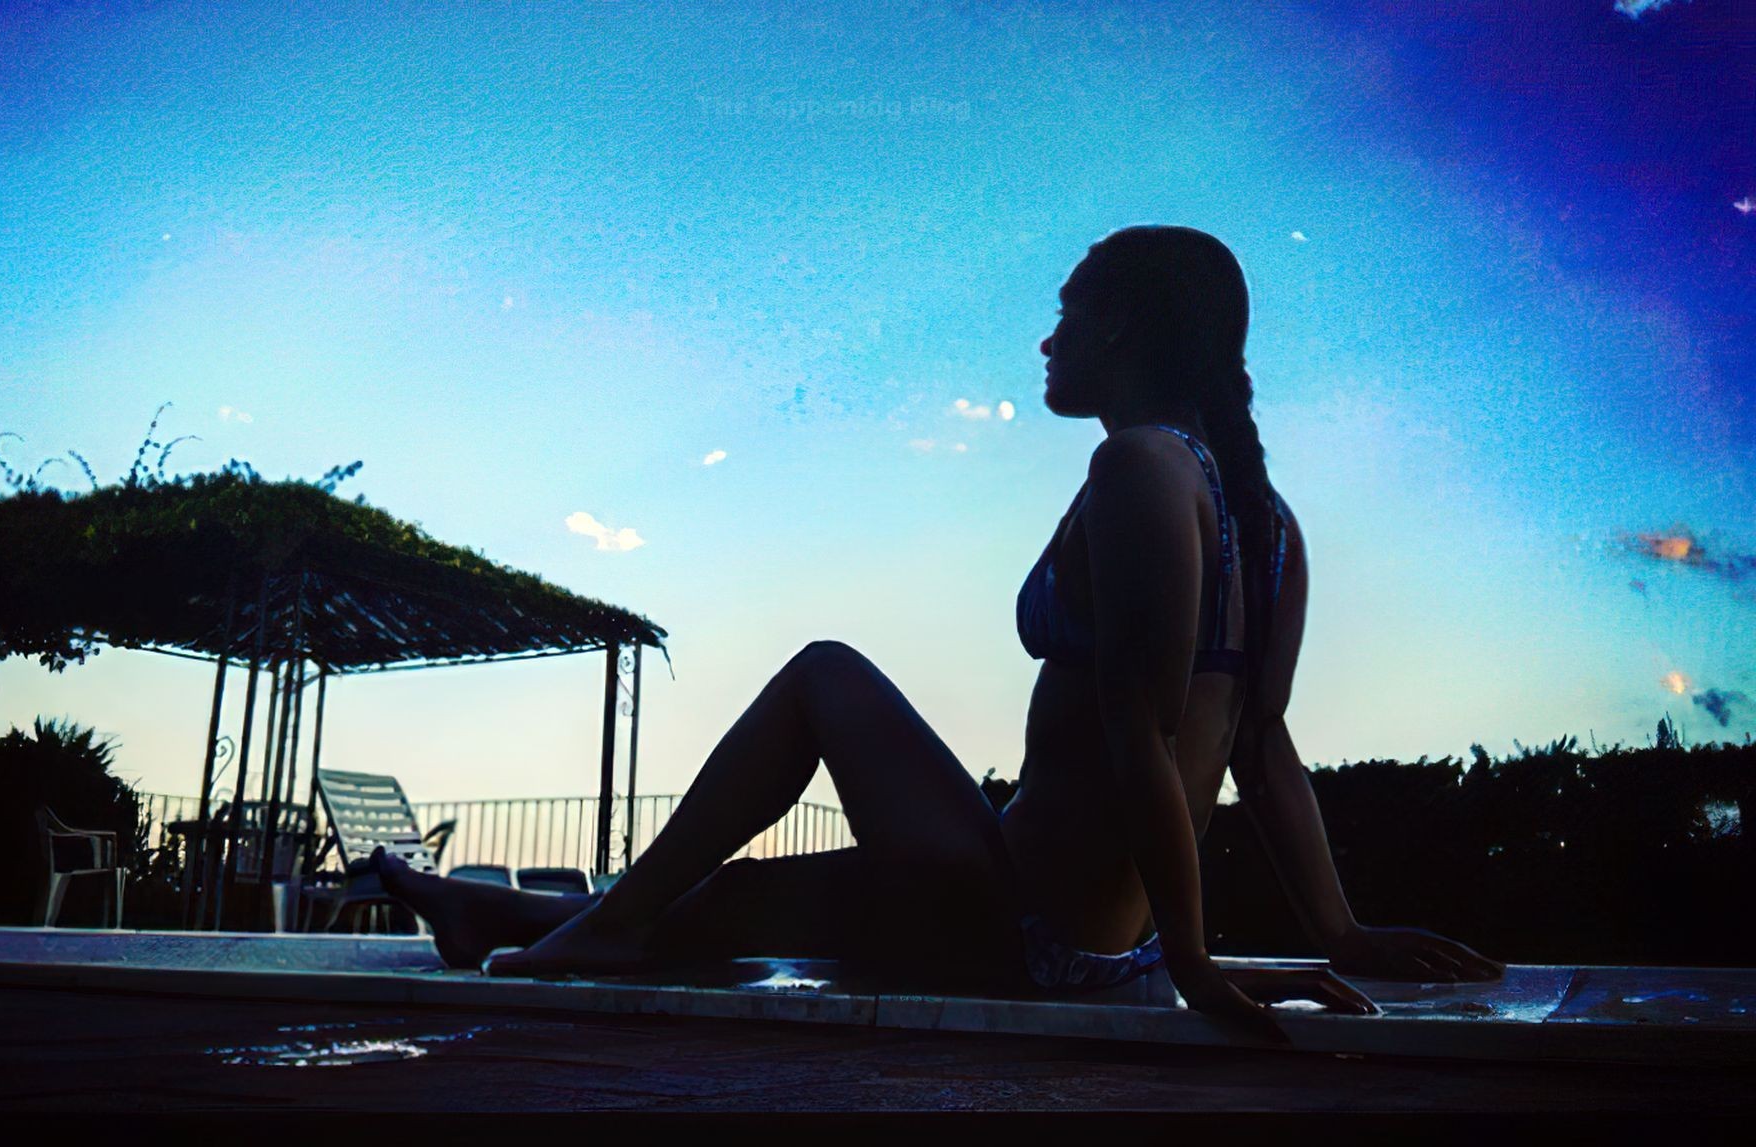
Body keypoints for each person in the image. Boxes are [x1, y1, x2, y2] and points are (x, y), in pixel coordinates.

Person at [372, 224, 1502, 1042]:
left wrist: (1200, 973)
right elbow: (1265, 747)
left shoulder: (1141, 469)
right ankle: (501, 912)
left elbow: (1143, 736)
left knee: (824, 673)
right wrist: (1339, 932)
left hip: (1030, 931)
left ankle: (597, 924)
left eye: (1066, 312)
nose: (1048, 340)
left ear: (1118, 322)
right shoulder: (1267, 520)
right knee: (734, 902)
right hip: (1080, 927)